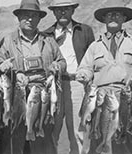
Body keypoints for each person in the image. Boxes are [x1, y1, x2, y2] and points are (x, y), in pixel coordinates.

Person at [76, 5, 132, 154]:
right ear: (104, 19)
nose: (113, 17)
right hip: (100, 99)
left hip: (126, 97)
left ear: (124, 19)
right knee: (98, 141)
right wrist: (84, 75)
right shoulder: (94, 46)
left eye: (117, 14)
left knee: (123, 143)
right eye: (109, 15)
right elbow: (84, 67)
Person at [0, 0, 66, 154]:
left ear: (39, 19)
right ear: (18, 18)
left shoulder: (49, 40)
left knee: (44, 140)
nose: (30, 19)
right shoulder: (7, 41)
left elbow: (61, 61)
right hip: (17, 94)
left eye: (34, 16)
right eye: (25, 15)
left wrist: (57, 66)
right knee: (15, 139)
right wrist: (11, 70)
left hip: (43, 93)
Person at [43, 0, 95, 153]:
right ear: (53, 12)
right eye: (58, 10)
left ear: (73, 10)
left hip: (77, 84)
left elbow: (92, 58)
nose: (63, 12)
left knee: (79, 131)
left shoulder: (84, 31)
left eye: (66, 8)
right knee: (51, 129)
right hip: (55, 86)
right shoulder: (46, 35)